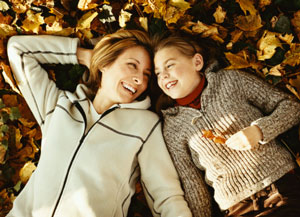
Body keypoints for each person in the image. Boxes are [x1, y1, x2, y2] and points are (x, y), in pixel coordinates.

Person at [6, 29, 192, 217]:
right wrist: (86, 56)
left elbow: (166, 196)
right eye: (132, 65)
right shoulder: (59, 106)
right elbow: (19, 50)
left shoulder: (145, 126)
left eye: (146, 74)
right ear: (106, 63)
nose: (139, 79)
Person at [152, 32, 300, 217]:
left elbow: (291, 108)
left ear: (197, 62)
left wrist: (260, 131)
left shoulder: (231, 81)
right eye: (158, 73)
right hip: (237, 209)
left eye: (170, 65)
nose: (164, 76)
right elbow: (193, 186)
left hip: (280, 187)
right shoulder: (172, 127)